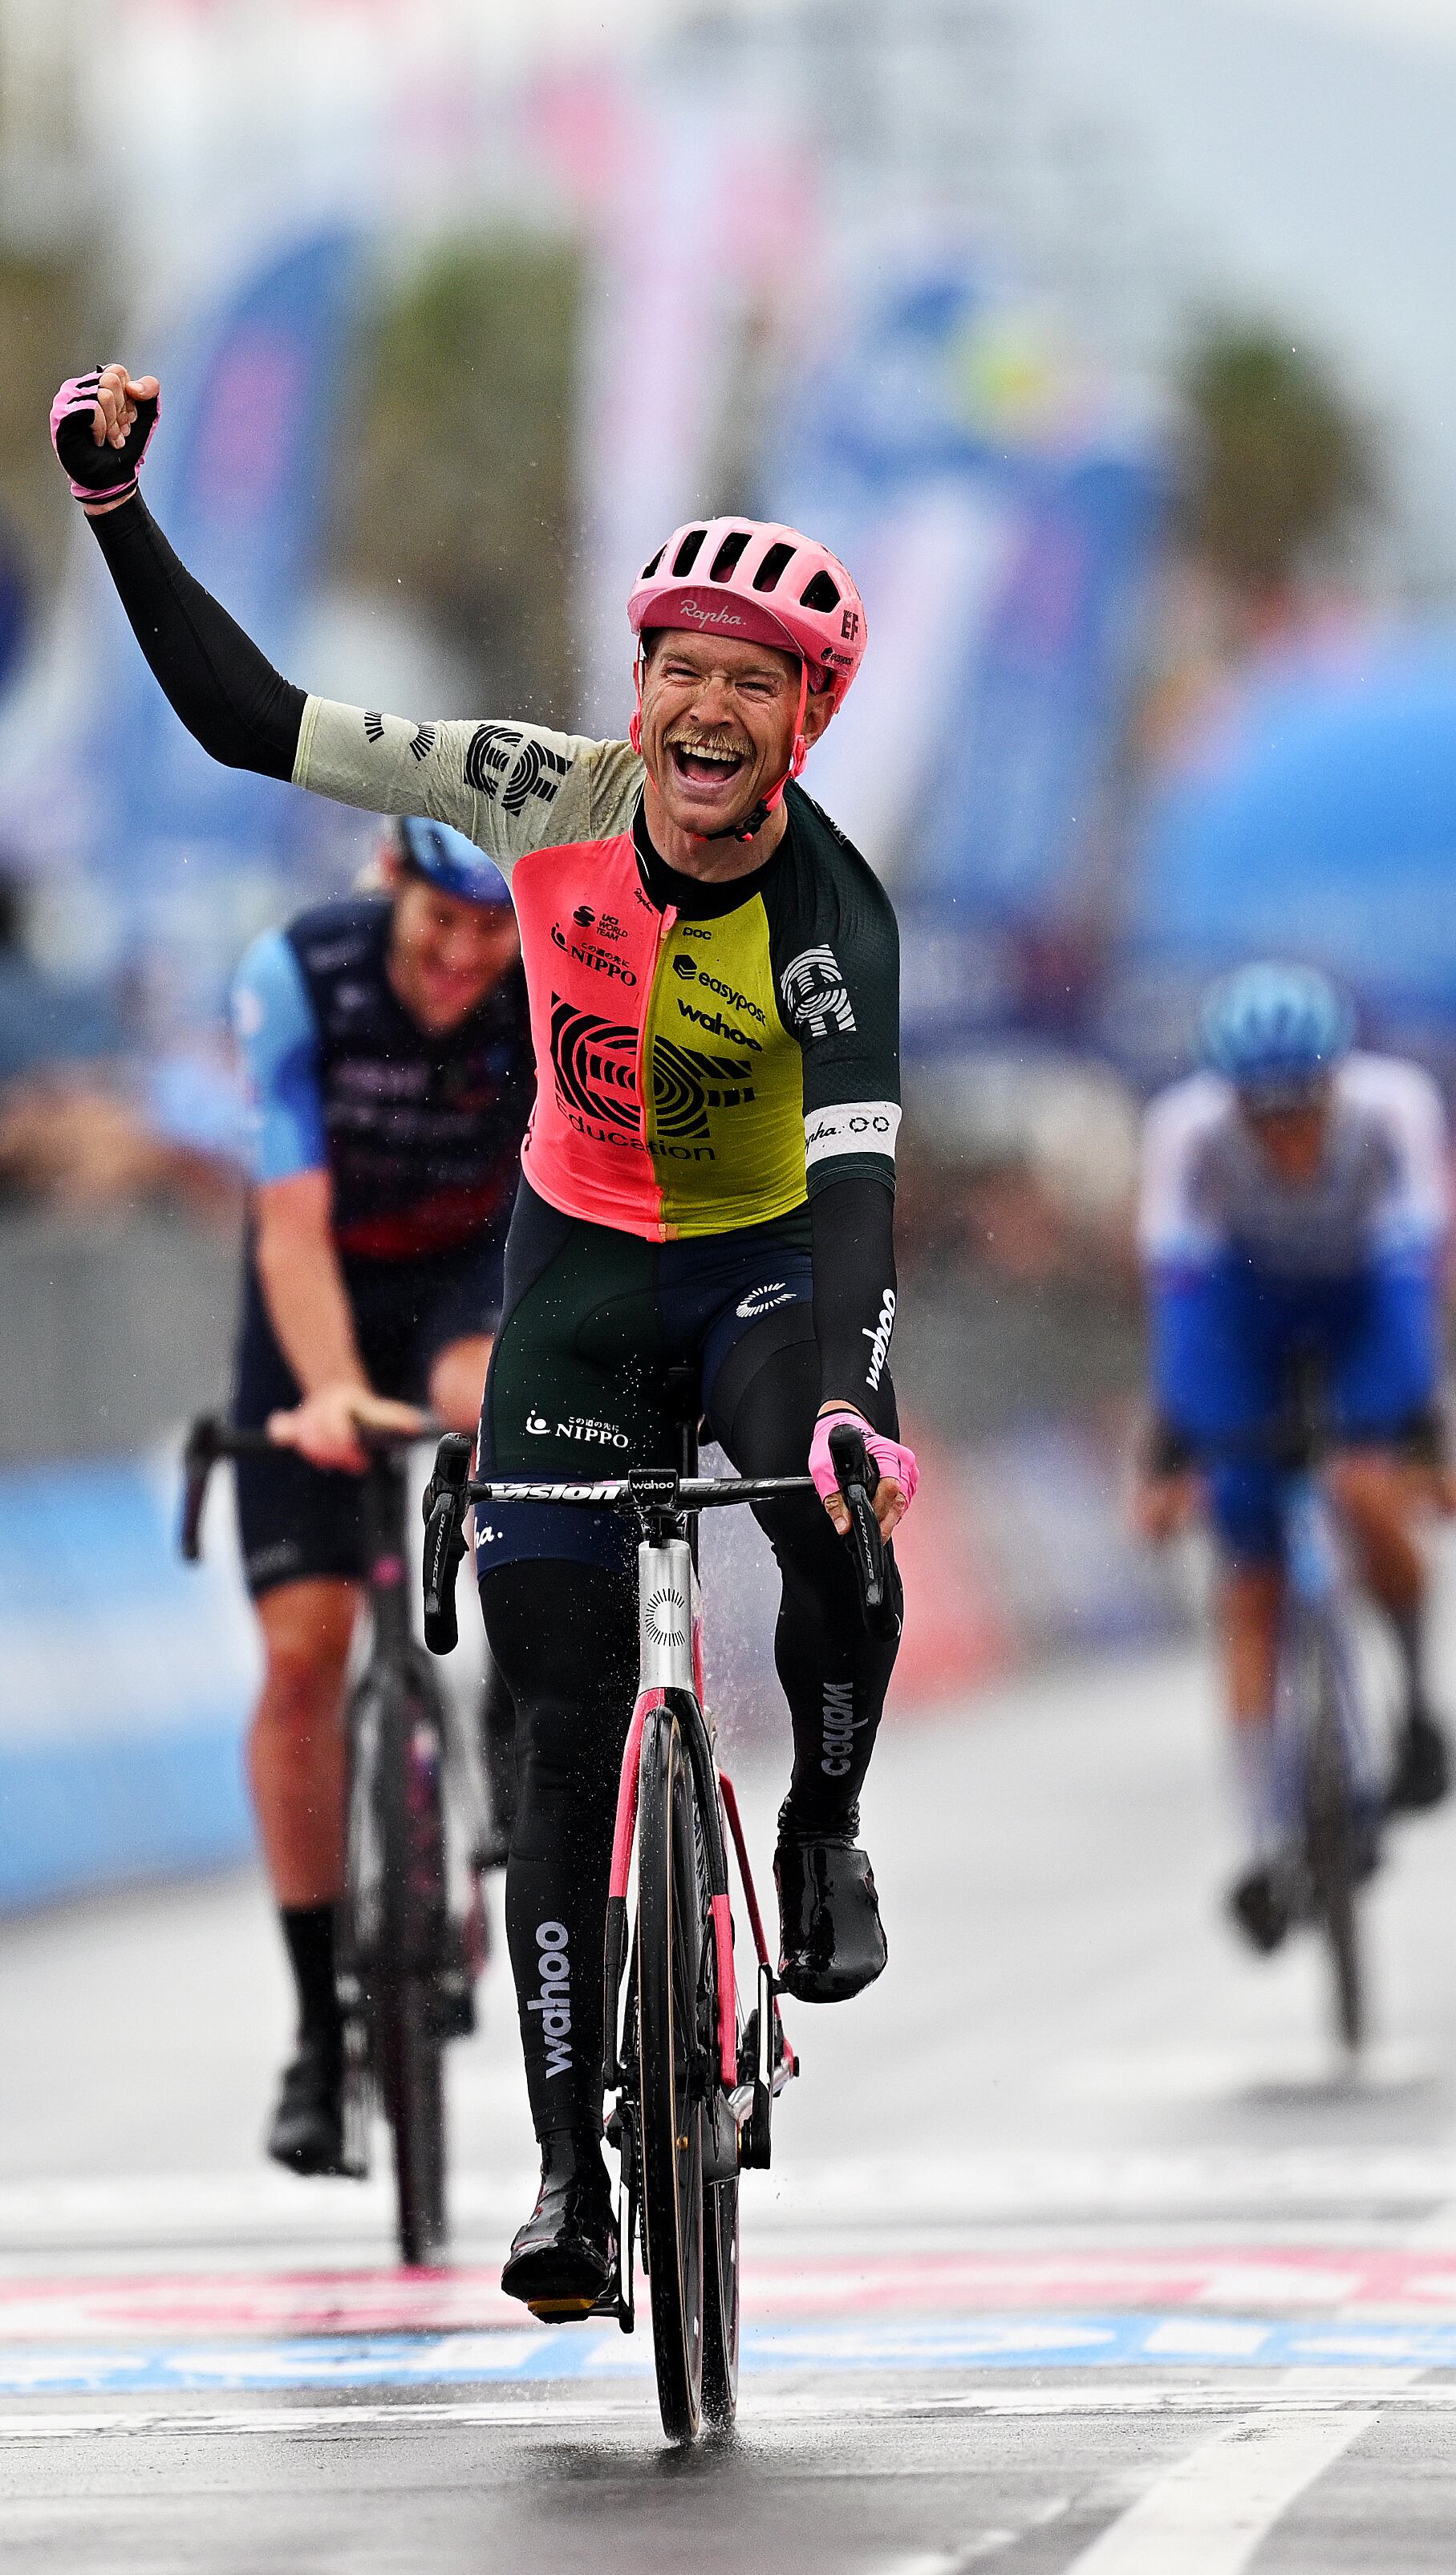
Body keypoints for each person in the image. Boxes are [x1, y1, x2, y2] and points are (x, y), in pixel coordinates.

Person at [51, 363, 918, 2317]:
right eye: (682, 666)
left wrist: (853, 1404)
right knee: (549, 1717)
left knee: (834, 1508)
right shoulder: (539, 795)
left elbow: (863, 1196)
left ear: (806, 718)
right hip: (585, 1269)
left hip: (778, 1268)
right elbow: (250, 721)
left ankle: (829, 1823)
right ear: (640, 689)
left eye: (754, 681)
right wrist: (116, 515)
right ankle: (562, 2177)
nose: (708, 708)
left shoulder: (834, 921)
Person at [229, 813, 531, 2173]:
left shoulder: (544, 980)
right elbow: (286, 1225)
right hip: (319, 1289)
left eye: (492, 930)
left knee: (487, 1405)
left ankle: (517, 1717)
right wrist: (334, 1388)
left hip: (472, 1274)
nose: (466, 956)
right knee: (302, 1648)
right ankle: (314, 2029)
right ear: (389, 889)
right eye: (439, 924)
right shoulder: (300, 972)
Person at [1134, 962, 1456, 1953]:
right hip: (1243, 1313)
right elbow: (1181, 1301)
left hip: (1363, 1302)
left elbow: (1414, 1284)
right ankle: (1262, 1845)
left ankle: (1414, 1705)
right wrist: (1173, 1446)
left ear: (1338, 1082)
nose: (1285, 1135)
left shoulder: (1394, 1107)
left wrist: (1418, 1425)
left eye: (1304, 1108)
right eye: (1262, 1113)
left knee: (1368, 1490)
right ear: (1229, 1100)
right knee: (1247, 1585)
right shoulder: (1187, 1131)